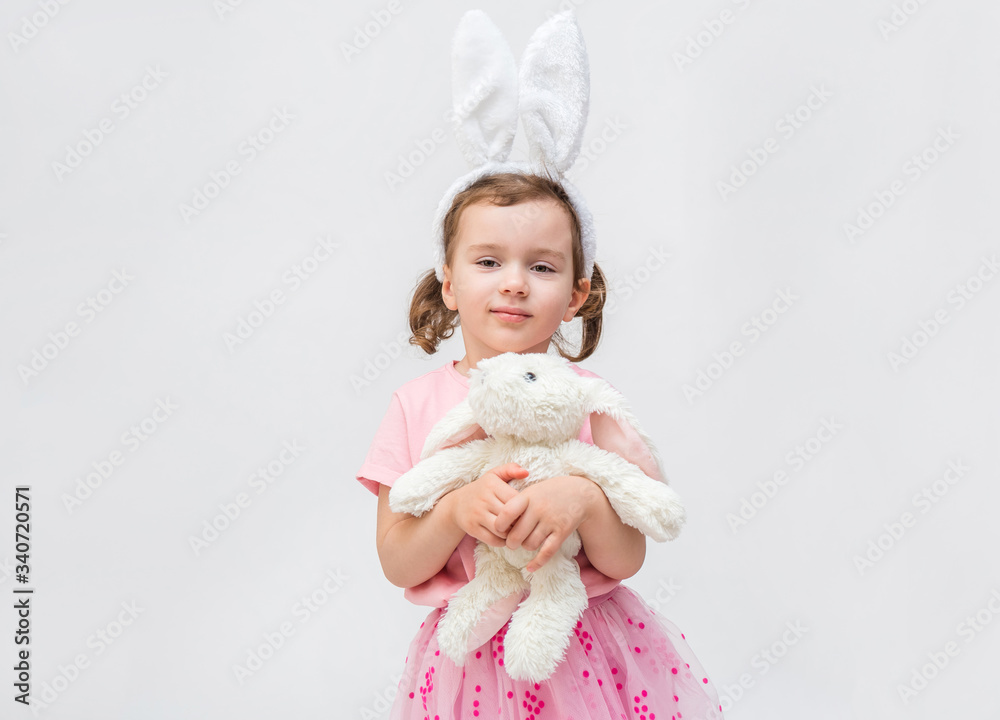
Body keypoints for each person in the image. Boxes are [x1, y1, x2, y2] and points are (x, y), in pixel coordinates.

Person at [355, 171, 725, 719]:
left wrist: (584, 498)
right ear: (449, 284)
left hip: (584, 651)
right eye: (487, 262)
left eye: (542, 266)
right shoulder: (415, 406)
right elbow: (398, 561)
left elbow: (628, 557)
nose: (514, 283)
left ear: (577, 294)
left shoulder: (588, 404)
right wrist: (456, 508)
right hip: (471, 657)